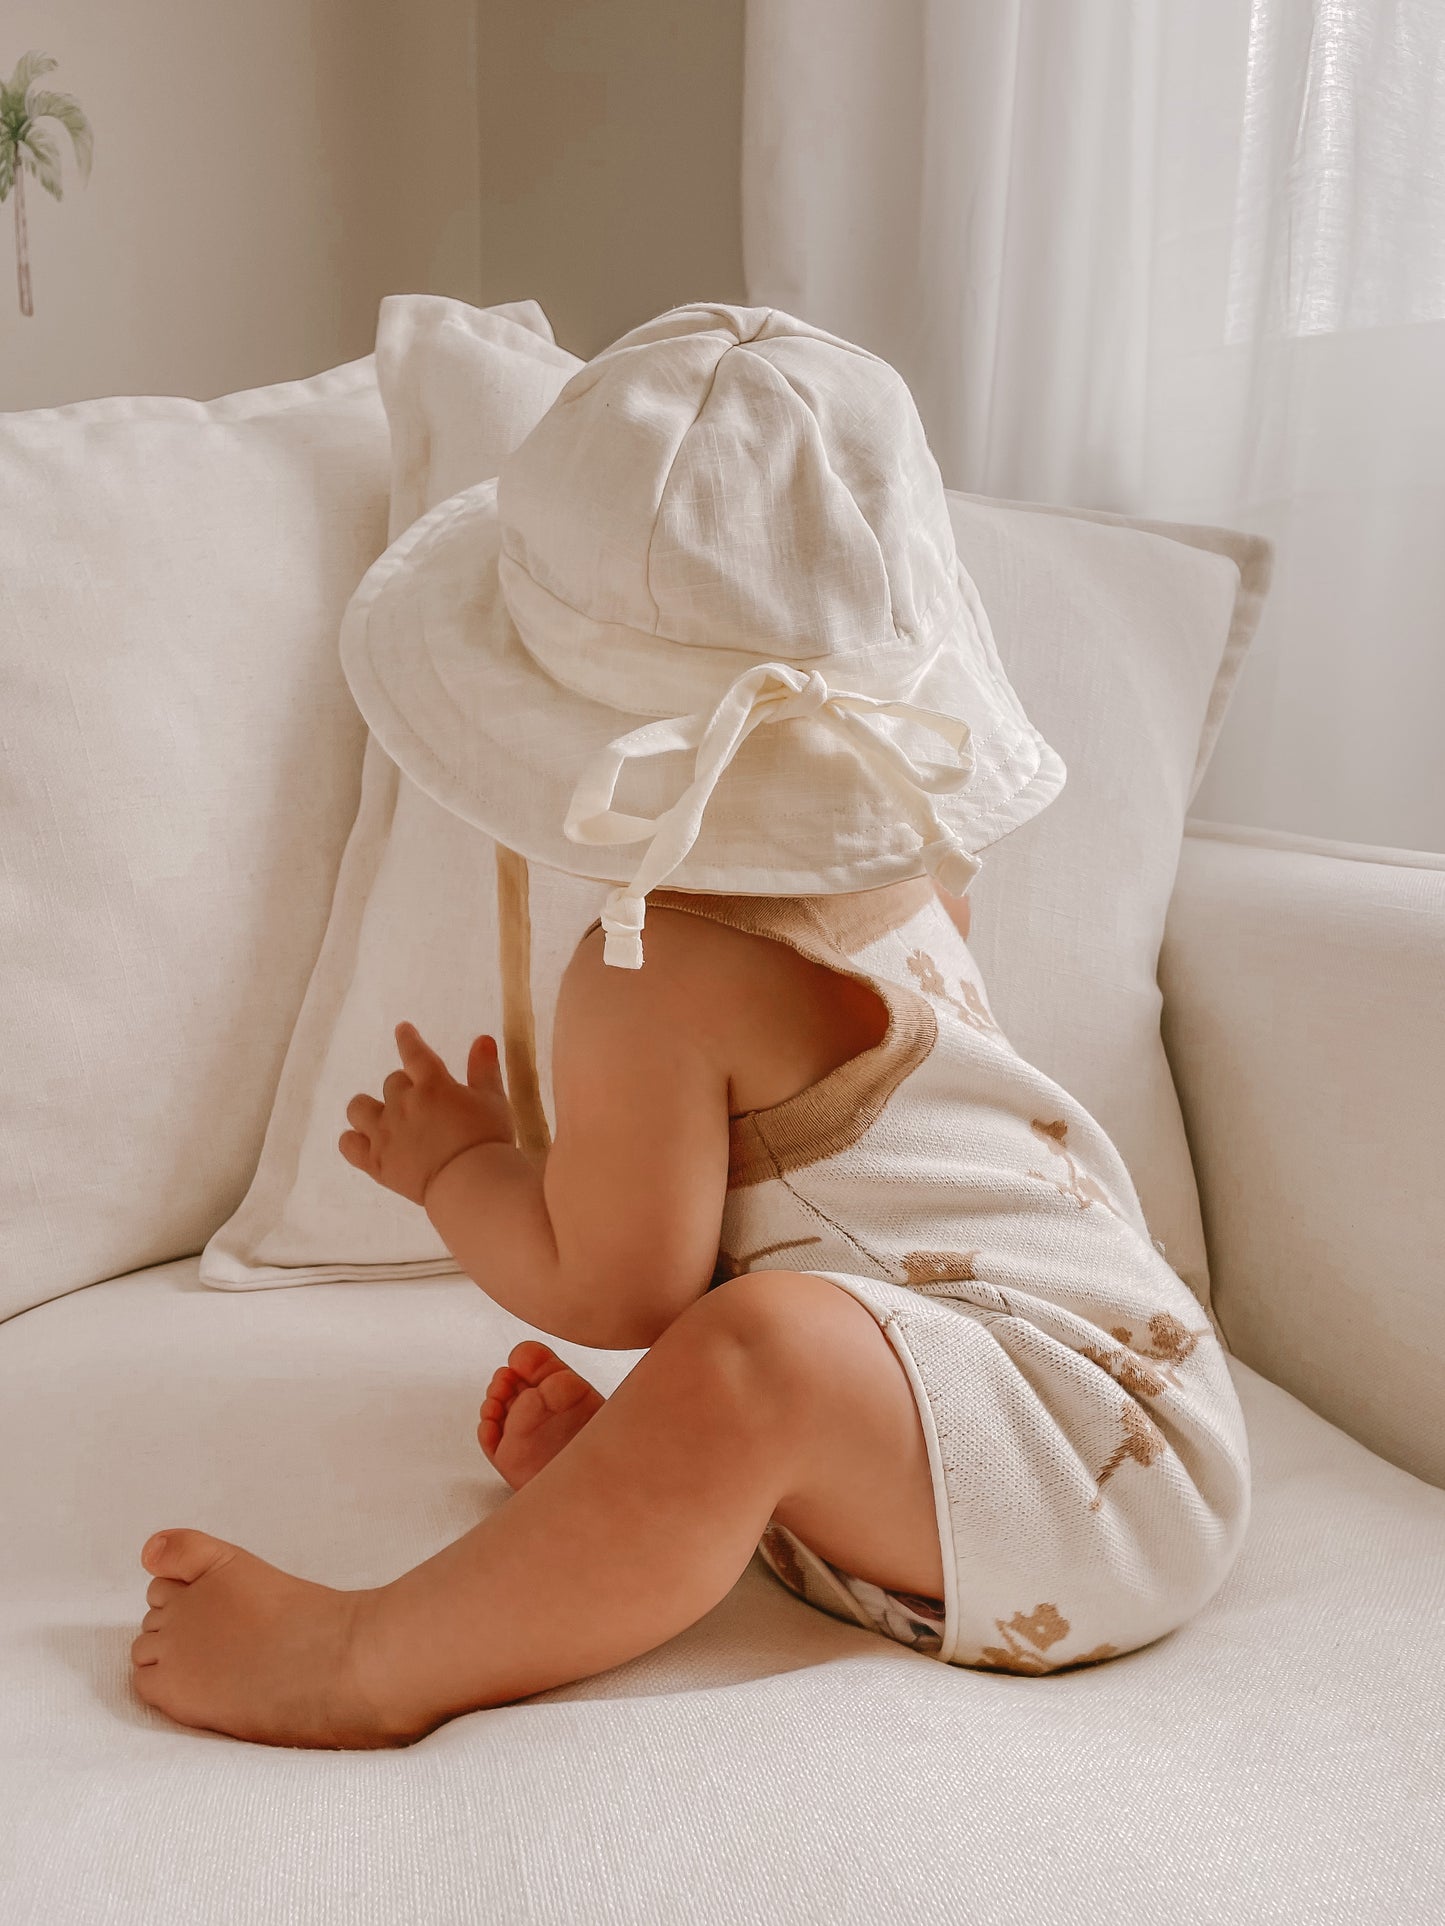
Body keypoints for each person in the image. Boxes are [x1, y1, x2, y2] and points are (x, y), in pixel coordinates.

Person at [129, 304, 1251, 1748]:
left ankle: (366, 1656)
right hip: (1113, 1421)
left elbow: (621, 1291)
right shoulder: (913, 859)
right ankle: (687, 1508)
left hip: (1073, 1462)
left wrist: (459, 1166)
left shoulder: (651, 973)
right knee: (753, 1369)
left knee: (754, 1354)